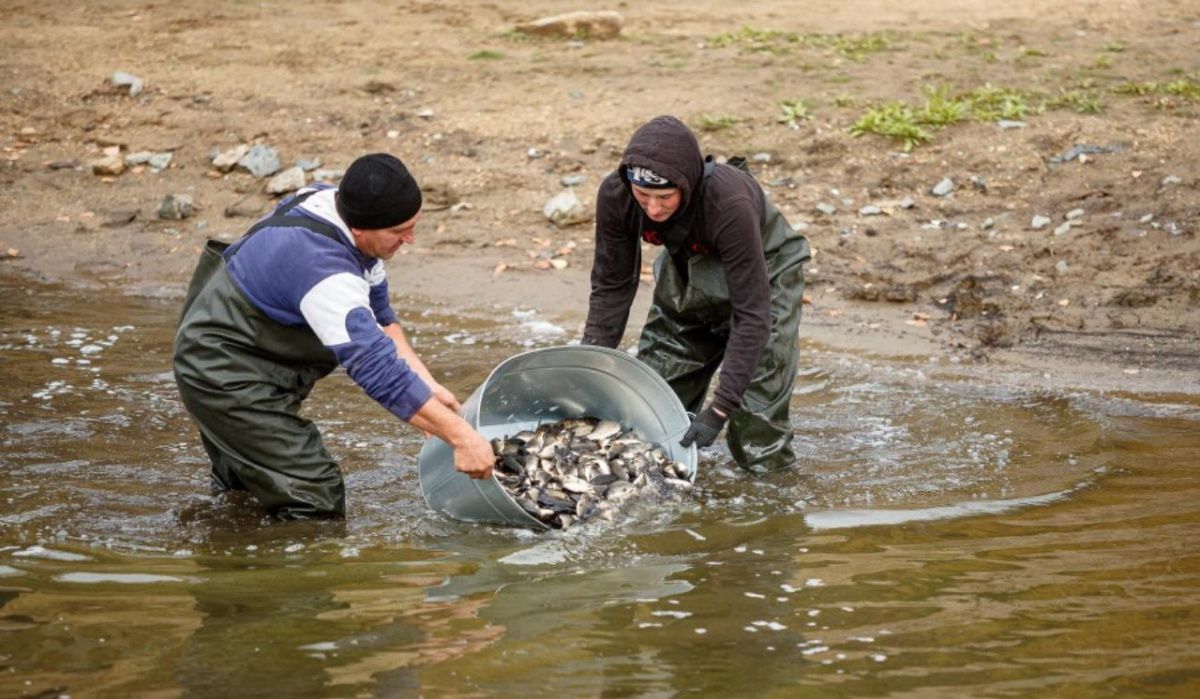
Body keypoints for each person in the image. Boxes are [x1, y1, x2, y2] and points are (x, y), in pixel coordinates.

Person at [173, 152, 494, 520]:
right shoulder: (325, 273)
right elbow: (375, 370)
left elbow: (381, 319)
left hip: (239, 358)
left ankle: (231, 541)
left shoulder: (335, 204)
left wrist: (426, 385)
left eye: (413, 225)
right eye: (398, 232)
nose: (410, 239)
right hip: (222, 373)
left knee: (245, 492)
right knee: (314, 497)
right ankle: (282, 571)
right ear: (360, 229)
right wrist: (461, 437)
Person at [582, 115, 811, 474]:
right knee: (651, 416)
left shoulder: (728, 203)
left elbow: (752, 313)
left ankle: (776, 511)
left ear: (687, 187)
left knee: (754, 431)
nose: (653, 209)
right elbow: (612, 285)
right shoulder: (617, 195)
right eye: (643, 195)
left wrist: (719, 409)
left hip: (765, 271)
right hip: (690, 267)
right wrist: (588, 369)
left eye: (664, 197)